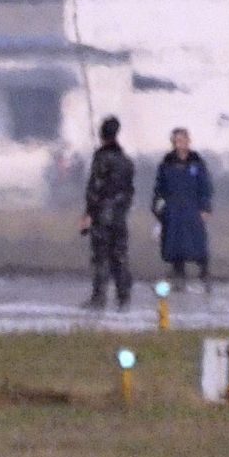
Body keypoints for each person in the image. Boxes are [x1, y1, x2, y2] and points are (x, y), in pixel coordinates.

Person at [80, 115, 134, 311]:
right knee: (120, 256)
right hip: (120, 216)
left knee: (101, 257)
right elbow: (129, 191)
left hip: (102, 215)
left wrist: (88, 214)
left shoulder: (101, 158)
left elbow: (95, 188)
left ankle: (99, 297)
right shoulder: (126, 161)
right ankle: (123, 297)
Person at [151, 127, 213, 291]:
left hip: (192, 208)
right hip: (172, 210)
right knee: (174, 244)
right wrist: (158, 209)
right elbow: (159, 189)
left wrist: (205, 207)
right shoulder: (167, 163)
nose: (178, 145)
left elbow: (205, 187)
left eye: (181, 141)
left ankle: (204, 274)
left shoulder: (196, 162)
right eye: (175, 141)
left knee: (198, 243)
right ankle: (179, 276)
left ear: (188, 141)